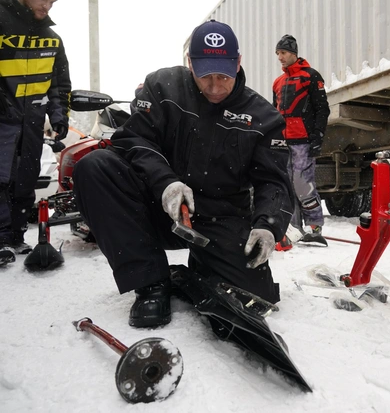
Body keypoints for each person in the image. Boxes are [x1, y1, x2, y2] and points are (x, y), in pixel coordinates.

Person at [73, 20, 294, 328]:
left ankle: (207, 265)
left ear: (238, 63)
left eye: (223, 76)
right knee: (94, 166)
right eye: (206, 76)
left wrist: (269, 226)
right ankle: (150, 282)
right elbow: (134, 140)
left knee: (253, 298)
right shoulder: (162, 88)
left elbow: (274, 181)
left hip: (220, 218)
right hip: (159, 208)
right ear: (190, 63)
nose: (215, 87)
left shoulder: (263, 117)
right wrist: (166, 183)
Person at [0, 0, 70, 266]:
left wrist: (58, 118)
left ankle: (16, 236)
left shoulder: (52, 39)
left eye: (51, 2)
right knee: (0, 179)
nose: (47, 6)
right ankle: (1, 238)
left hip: (31, 123)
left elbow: (59, 85)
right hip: (3, 119)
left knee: (25, 181)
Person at [272, 34, 330, 246]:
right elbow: (274, 114)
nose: (280, 57)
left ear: (294, 53)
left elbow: (322, 109)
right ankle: (293, 228)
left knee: (302, 184)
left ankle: (315, 228)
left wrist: (317, 137)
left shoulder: (311, 76)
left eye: (283, 53)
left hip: (303, 141)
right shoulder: (278, 82)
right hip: (283, 142)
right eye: (278, 53)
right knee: (286, 185)